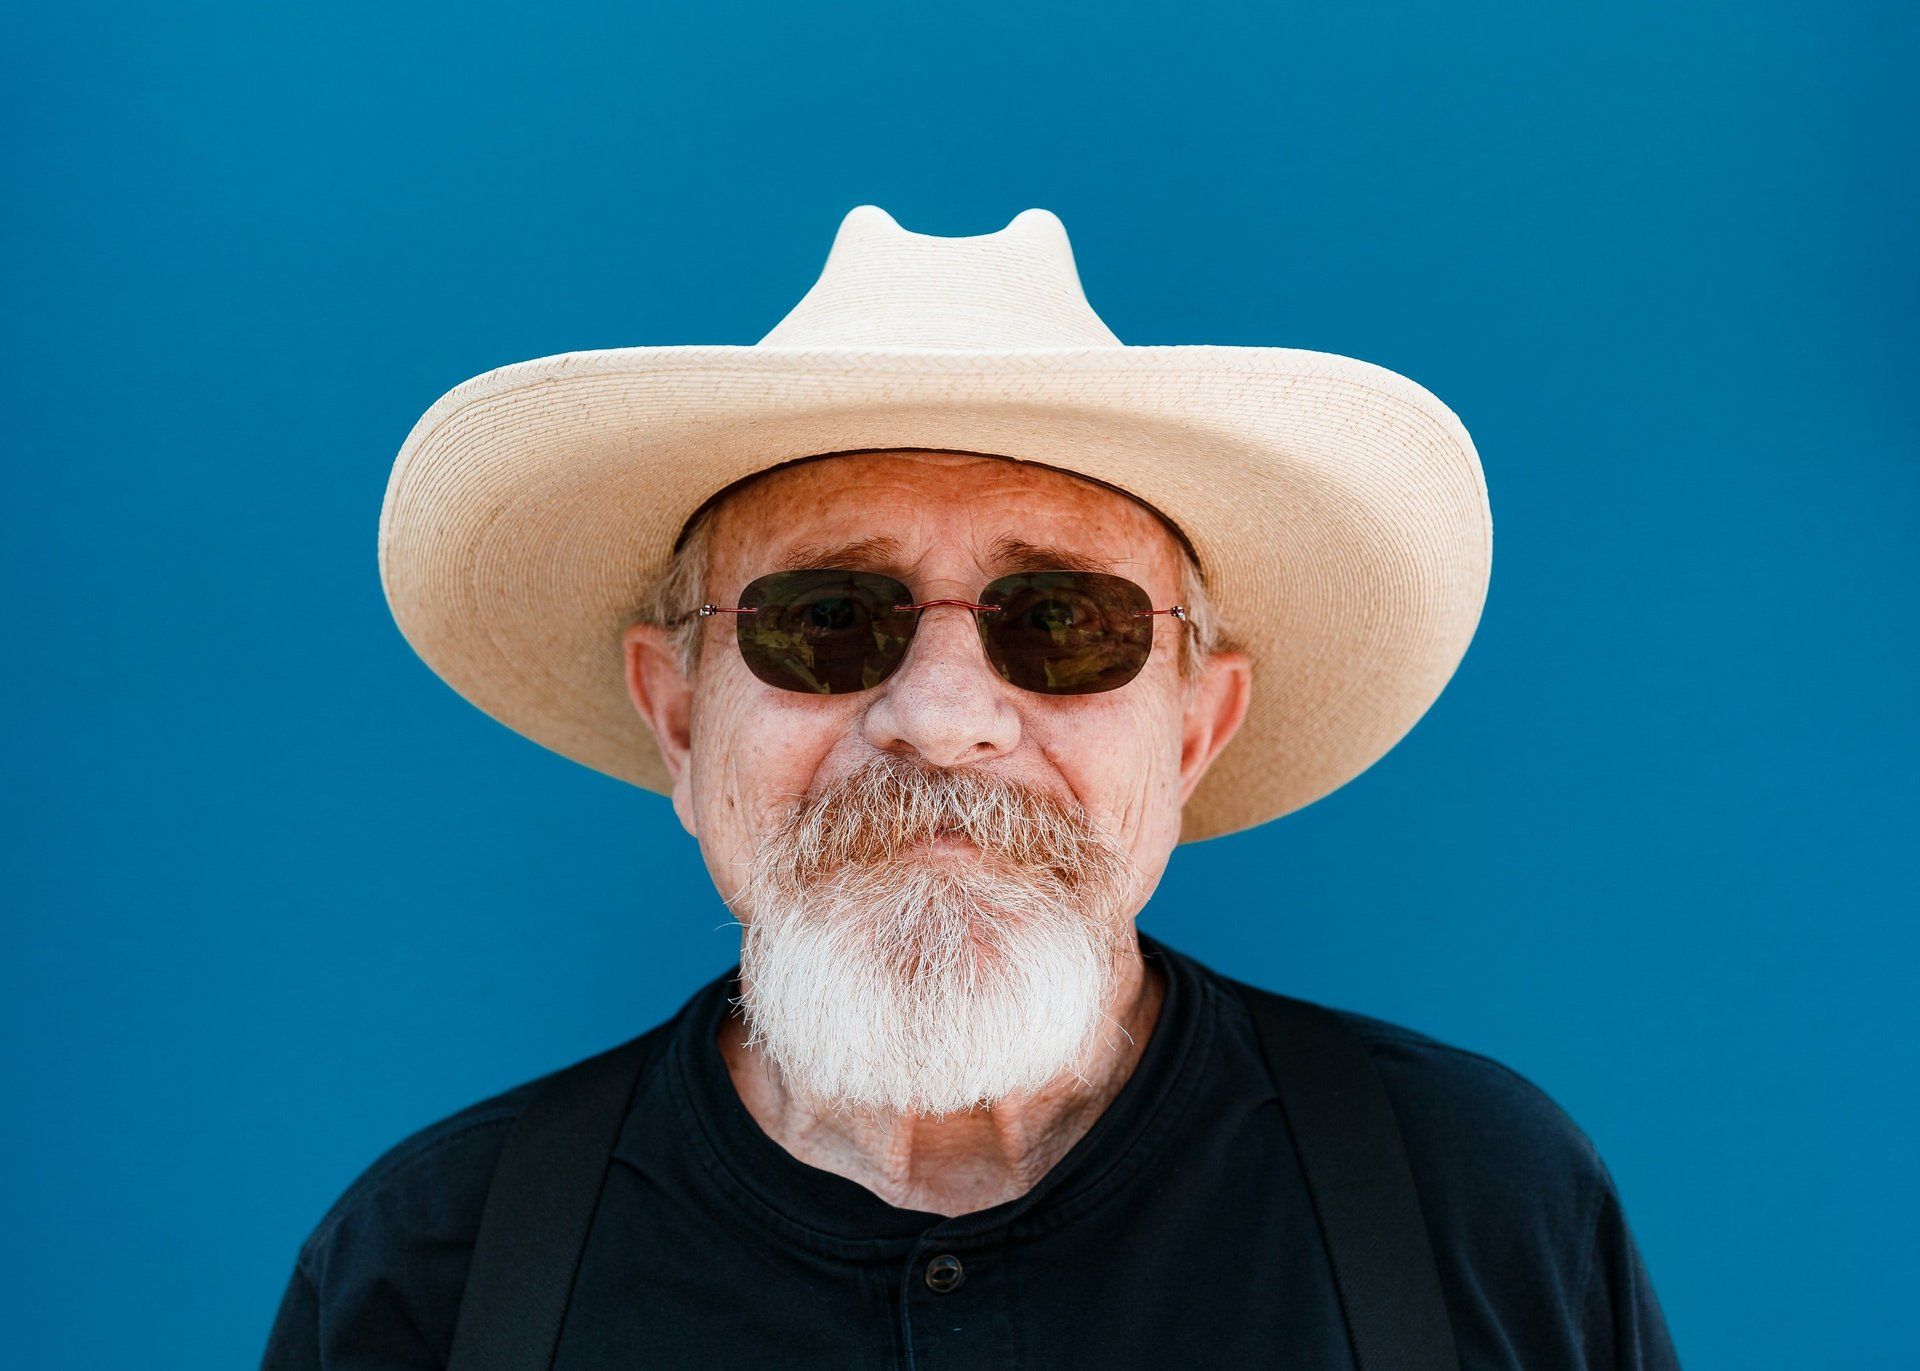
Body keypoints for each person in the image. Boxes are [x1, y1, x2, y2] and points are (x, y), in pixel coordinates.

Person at [262, 206, 1681, 1368]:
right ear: (679, 716)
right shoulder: (430, 1275)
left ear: (1196, 728)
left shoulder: (1477, 1209)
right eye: (827, 620)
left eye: (1066, 623)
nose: (943, 721)